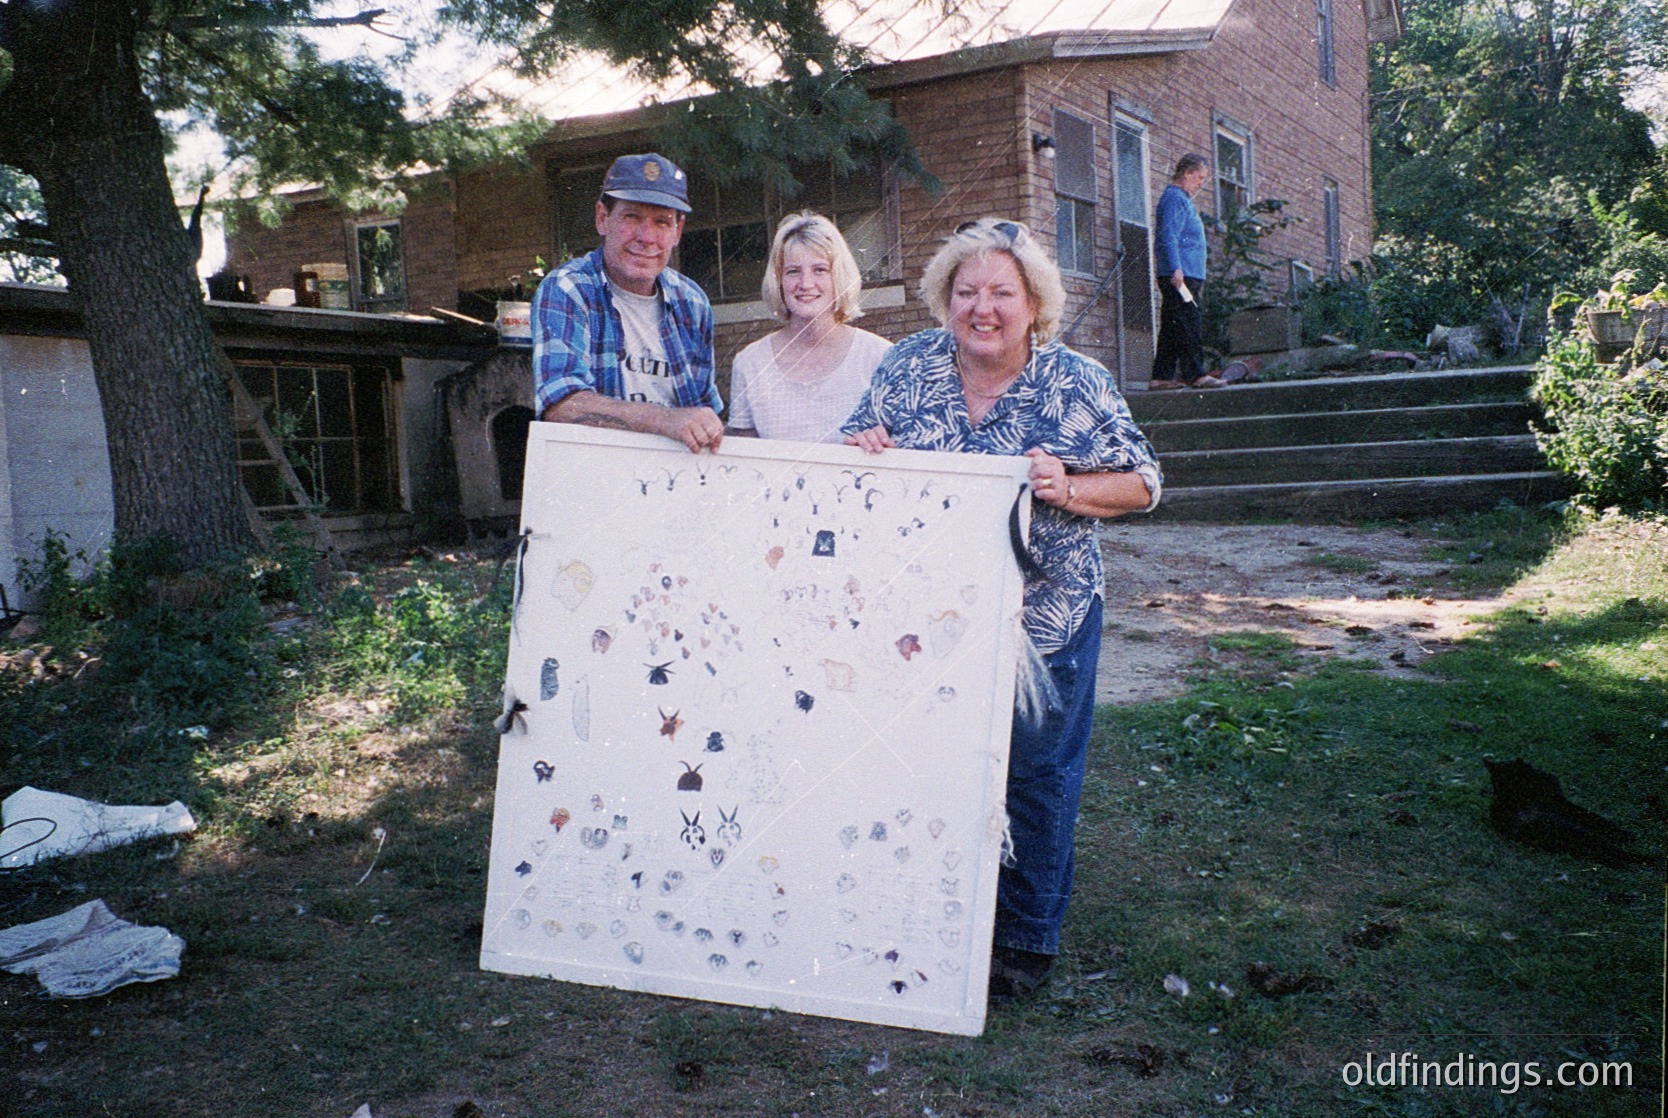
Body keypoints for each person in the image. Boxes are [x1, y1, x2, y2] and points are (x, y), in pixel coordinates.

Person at [843, 218, 1162, 999]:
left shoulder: (1075, 382)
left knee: (1036, 774)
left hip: (1046, 616)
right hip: (930, 619)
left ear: (1033, 304)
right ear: (943, 300)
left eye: (1001, 293)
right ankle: (933, 912)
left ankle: (1024, 938)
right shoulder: (909, 367)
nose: (982, 308)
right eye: (966, 291)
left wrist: (1070, 489)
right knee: (926, 767)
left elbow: (1146, 483)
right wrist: (864, 448)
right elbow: (850, 449)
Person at [532, 153, 725, 452]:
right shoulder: (569, 288)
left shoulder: (693, 302)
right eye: (632, 217)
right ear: (602, 218)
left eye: (662, 222)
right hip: (596, 475)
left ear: (678, 231)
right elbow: (560, 406)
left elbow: (704, 409)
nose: (646, 237)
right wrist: (665, 420)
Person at [727, 213, 893, 443]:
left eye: (820, 270)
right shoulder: (750, 363)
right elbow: (745, 465)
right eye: (793, 271)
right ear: (778, 280)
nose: (806, 284)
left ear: (839, 277)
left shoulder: (882, 357)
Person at [1150, 153, 1214, 388]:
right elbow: (1169, 236)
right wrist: (1177, 268)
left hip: (1186, 272)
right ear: (1186, 174)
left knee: (1173, 326)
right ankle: (1196, 374)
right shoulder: (1175, 198)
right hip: (1180, 274)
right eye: (1199, 177)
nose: (1201, 183)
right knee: (1189, 323)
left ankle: (1161, 377)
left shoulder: (1181, 198)